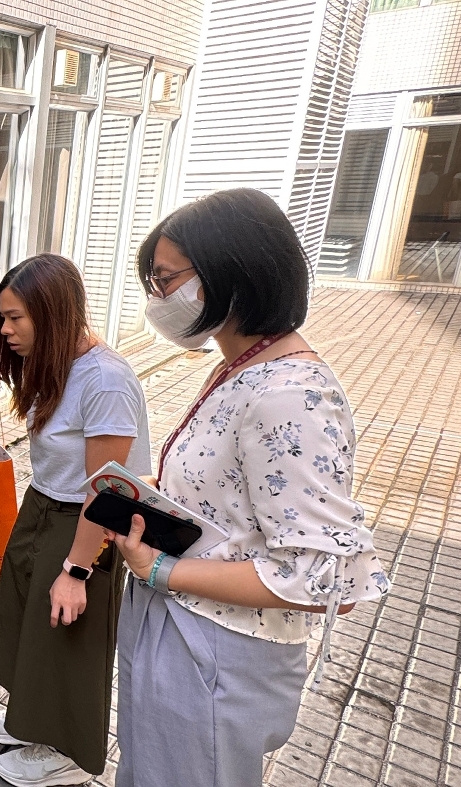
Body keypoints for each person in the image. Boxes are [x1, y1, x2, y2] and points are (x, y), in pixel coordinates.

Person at [108, 188, 391, 787]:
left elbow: (318, 577)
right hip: (181, 620)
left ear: (232, 274)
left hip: (217, 643)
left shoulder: (288, 395)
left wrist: (160, 569)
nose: (156, 298)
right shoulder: (241, 363)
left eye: (166, 280)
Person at [0, 255, 151, 786]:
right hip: (44, 502)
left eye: (15, 318)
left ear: (52, 314)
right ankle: (30, 717)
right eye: (1, 318)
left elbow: (108, 490)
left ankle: (67, 752)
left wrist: (77, 570)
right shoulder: (54, 360)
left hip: (87, 519)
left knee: (67, 629)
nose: (4, 331)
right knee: (28, 613)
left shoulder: (106, 380)